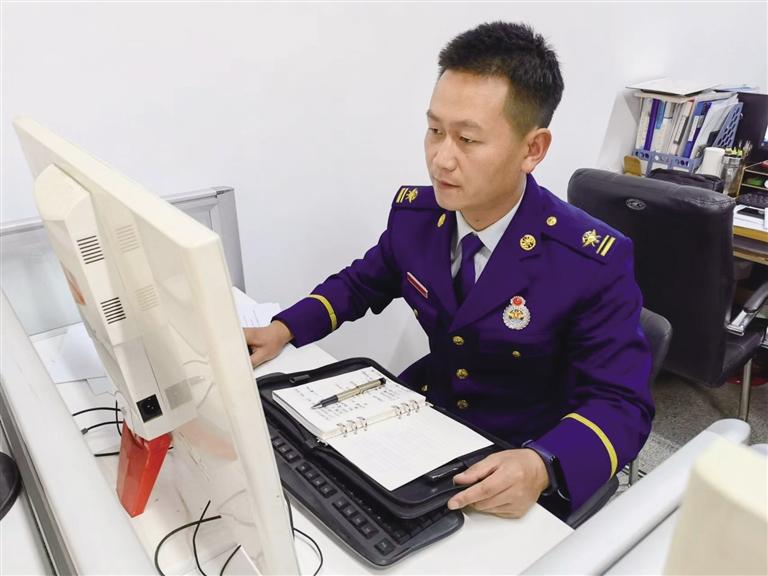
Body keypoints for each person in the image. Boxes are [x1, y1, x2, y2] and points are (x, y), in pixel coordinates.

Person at [246, 22, 654, 520]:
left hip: (520, 450)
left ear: (532, 149)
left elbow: (622, 404)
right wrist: (283, 328)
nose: (441, 159)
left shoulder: (589, 260)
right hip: (427, 418)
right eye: (435, 131)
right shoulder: (418, 217)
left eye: (468, 139)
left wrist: (543, 464)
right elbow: (361, 282)